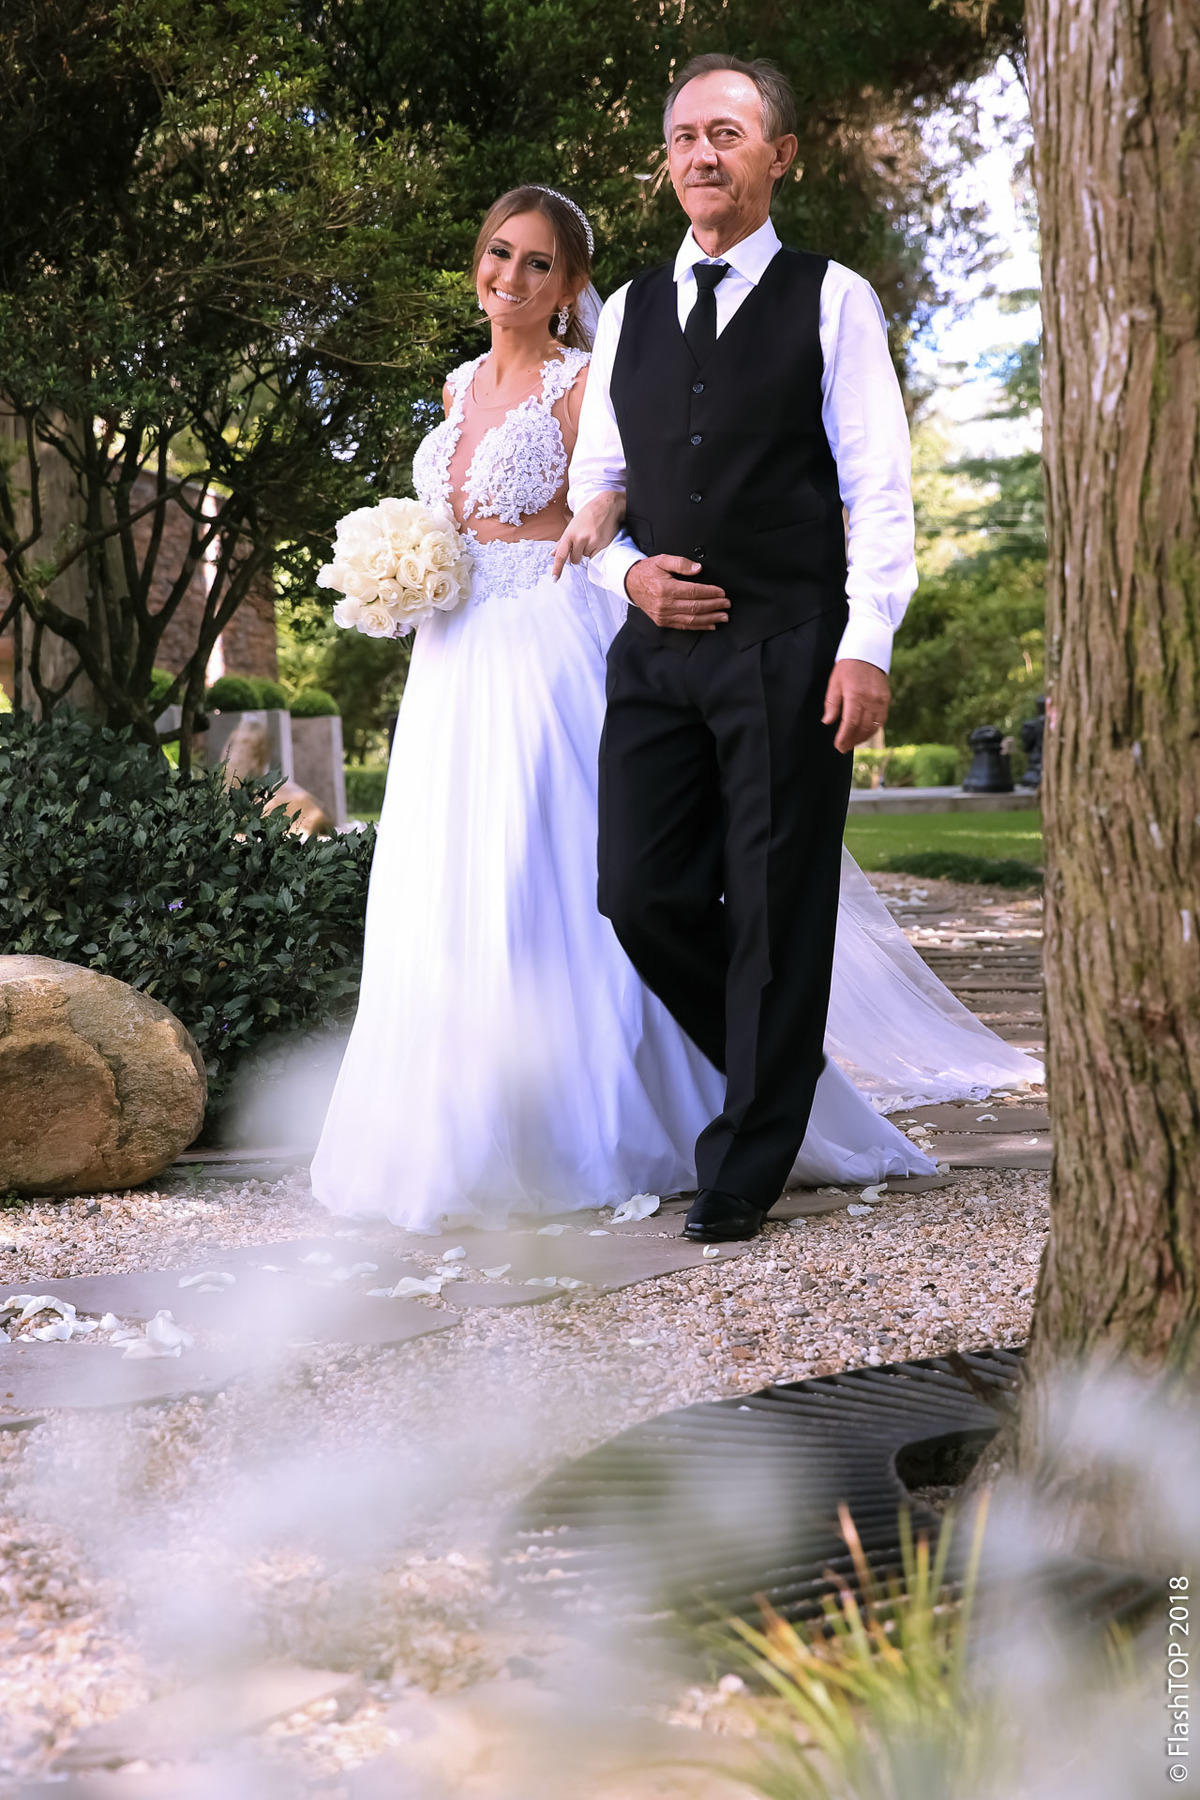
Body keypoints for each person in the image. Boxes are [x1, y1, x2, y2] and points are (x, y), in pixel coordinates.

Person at [310, 181, 1037, 1236]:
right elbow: (477, 516)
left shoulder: (589, 373)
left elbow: (632, 491)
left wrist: (847, 630)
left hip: (548, 652)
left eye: (537, 263)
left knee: (568, 885)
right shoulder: (457, 383)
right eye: (498, 253)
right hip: (453, 663)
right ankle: (468, 1122)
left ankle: (683, 1109)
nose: (510, 276)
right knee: (473, 889)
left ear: (568, 289)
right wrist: (398, 584)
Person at [569, 53, 939, 1241]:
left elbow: (880, 490)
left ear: (779, 155)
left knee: (776, 906)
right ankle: (781, 1056)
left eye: (725, 133)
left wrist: (866, 642)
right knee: (636, 891)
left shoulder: (833, 300)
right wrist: (630, 574)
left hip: (789, 641)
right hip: (656, 650)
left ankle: (746, 1160)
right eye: (682, 137)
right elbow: (599, 481)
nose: (700, 155)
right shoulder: (626, 308)